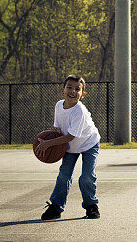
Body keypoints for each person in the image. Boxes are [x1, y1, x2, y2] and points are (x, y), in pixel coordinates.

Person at [35, 74, 101, 220]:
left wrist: (48, 144)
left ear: (82, 94)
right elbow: (59, 129)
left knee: (87, 176)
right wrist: (54, 146)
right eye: (69, 87)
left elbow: (71, 136)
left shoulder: (79, 111)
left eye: (77, 89)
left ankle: (91, 206)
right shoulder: (59, 105)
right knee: (64, 176)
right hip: (70, 146)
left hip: (89, 143)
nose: (73, 91)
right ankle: (56, 208)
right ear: (62, 90)